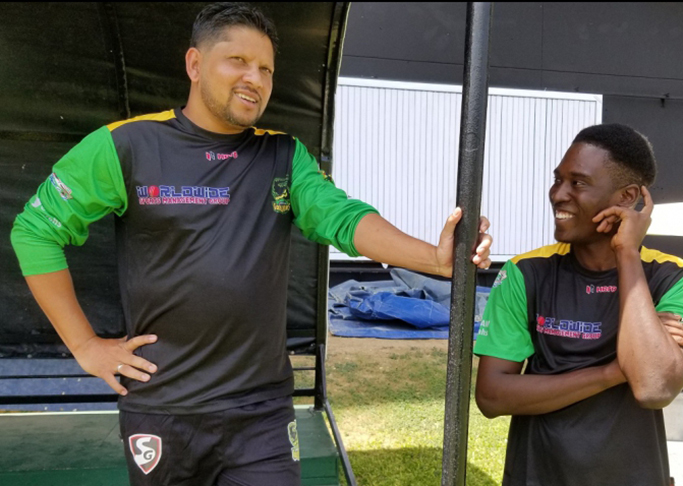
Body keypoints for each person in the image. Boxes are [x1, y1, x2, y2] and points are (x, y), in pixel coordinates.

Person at [10, 3, 492, 485]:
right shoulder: (126, 146)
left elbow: (342, 218)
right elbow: (35, 231)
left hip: (261, 411)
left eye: (265, 69)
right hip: (164, 408)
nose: (255, 78)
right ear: (195, 65)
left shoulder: (283, 156)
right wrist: (85, 345)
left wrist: (432, 257)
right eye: (237, 61)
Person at [473, 123, 683, 486]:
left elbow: (653, 388)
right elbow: (492, 396)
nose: (558, 195)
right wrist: (615, 371)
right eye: (558, 180)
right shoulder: (525, 274)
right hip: (534, 476)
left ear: (626, 196)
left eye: (578, 183)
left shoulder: (680, 281)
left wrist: (627, 253)